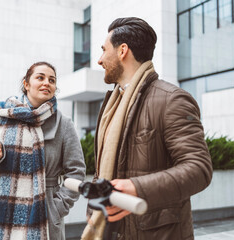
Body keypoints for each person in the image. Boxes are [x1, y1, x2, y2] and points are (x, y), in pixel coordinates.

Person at [81, 17, 213, 240]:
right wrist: (94, 207)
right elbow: (103, 171)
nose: (100, 60)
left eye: (104, 50)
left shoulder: (171, 99)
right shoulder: (112, 104)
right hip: (110, 229)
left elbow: (199, 168)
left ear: (123, 50)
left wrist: (136, 188)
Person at [0, 62, 86, 240]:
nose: (47, 82)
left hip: (42, 215)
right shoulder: (0, 116)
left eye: (52, 80)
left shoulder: (64, 124)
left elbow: (76, 173)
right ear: (26, 84)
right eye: (40, 77)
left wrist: (55, 209)